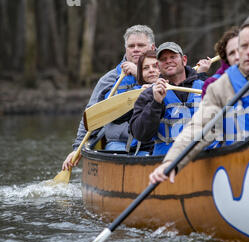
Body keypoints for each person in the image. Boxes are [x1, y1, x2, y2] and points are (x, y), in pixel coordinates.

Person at [148, 14, 249, 185]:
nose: (248, 51)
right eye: (244, 46)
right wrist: (171, 162)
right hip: (241, 170)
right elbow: (200, 127)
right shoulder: (219, 87)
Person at [62, 25, 155, 171]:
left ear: (152, 47)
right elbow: (91, 115)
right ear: (126, 49)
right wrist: (77, 148)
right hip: (118, 145)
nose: (135, 49)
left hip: (153, 144)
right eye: (131, 46)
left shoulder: (163, 75)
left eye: (141, 45)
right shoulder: (109, 79)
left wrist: (139, 74)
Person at [129, 42, 211, 156]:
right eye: (163, 59)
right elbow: (140, 134)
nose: (168, 61)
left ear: (184, 60)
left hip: (204, 159)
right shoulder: (149, 94)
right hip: (165, 161)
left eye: (173, 57)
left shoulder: (207, 88)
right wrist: (156, 103)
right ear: (158, 66)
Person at [102, 49, 160, 155]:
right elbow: (116, 118)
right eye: (146, 68)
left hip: (165, 147)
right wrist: (142, 95)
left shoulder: (175, 88)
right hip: (142, 149)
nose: (151, 70)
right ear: (140, 73)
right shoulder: (137, 91)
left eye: (155, 66)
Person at [201, 26, 240, 98]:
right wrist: (200, 75)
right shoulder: (212, 84)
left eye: (240, 50)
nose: (237, 57)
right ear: (226, 58)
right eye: (232, 53)